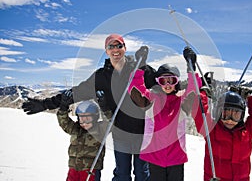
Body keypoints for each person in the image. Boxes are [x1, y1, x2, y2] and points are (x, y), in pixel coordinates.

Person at [22, 34, 156, 181]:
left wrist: (143, 65)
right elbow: (77, 92)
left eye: (119, 46)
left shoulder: (137, 69)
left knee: (142, 174)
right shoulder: (101, 77)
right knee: (122, 174)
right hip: (120, 133)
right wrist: (44, 104)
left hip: (142, 132)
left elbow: (163, 84)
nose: (115, 49)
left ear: (124, 48)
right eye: (111, 46)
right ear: (106, 51)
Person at [127, 47, 208, 181]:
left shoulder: (181, 102)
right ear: (158, 82)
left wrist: (191, 68)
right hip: (154, 156)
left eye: (172, 80)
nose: (168, 84)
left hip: (176, 157)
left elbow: (193, 91)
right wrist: (140, 67)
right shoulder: (152, 100)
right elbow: (135, 89)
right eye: (163, 81)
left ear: (177, 82)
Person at [192, 88, 252, 181]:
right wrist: (203, 94)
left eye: (236, 115)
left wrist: (249, 97)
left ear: (241, 116)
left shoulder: (246, 132)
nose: (230, 120)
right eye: (225, 114)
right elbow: (199, 113)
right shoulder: (211, 130)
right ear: (219, 113)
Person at [57, 93, 108, 181]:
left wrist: (104, 106)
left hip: (90, 170)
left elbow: (109, 121)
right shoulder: (75, 129)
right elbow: (63, 121)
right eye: (81, 119)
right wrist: (63, 107)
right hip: (73, 168)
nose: (84, 123)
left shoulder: (100, 130)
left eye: (87, 119)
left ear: (95, 117)